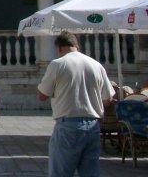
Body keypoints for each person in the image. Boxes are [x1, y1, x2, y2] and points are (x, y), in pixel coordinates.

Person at [36, 31, 115, 177]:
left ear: (59, 48)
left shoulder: (58, 64)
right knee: (90, 172)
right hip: (93, 126)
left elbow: (42, 95)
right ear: (77, 46)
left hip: (68, 125)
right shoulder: (96, 65)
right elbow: (107, 99)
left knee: (61, 172)